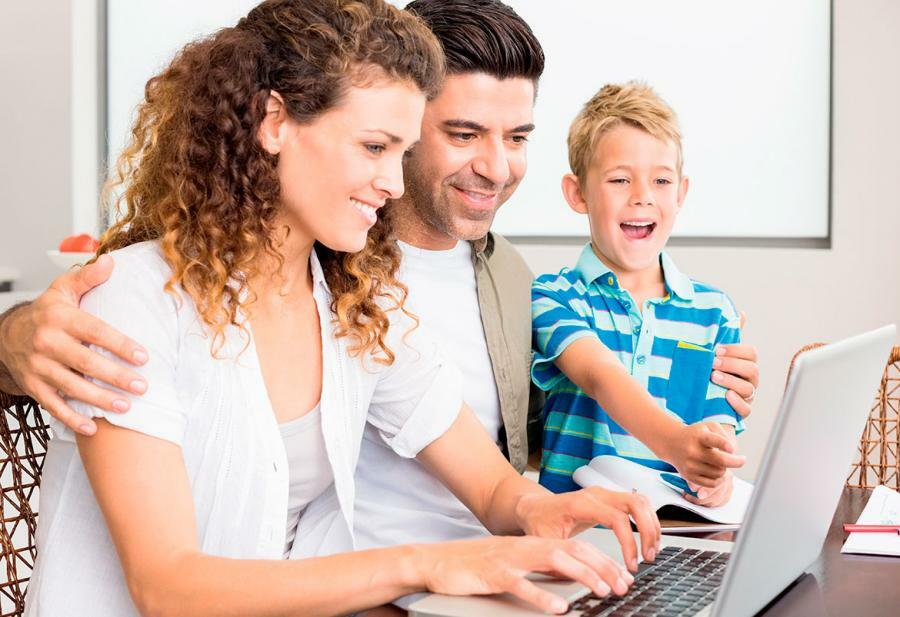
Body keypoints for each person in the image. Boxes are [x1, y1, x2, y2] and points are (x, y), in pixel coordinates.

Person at [21, 3, 661, 615]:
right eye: (374, 147)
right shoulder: (134, 301)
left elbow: (492, 486)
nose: (393, 182)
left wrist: (540, 510)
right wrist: (426, 564)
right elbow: (168, 589)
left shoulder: (355, 303)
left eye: (400, 153)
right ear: (275, 122)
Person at [532, 82, 747, 505]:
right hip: (576, 529)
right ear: (578, 193)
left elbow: (717, 429)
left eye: (661, 180)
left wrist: (714, 476)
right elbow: (600, 376)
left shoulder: (715, 312)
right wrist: (678, 444)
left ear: (680, 193)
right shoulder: (553, 297)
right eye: (619, 179)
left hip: (674, 529)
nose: (643, 197)